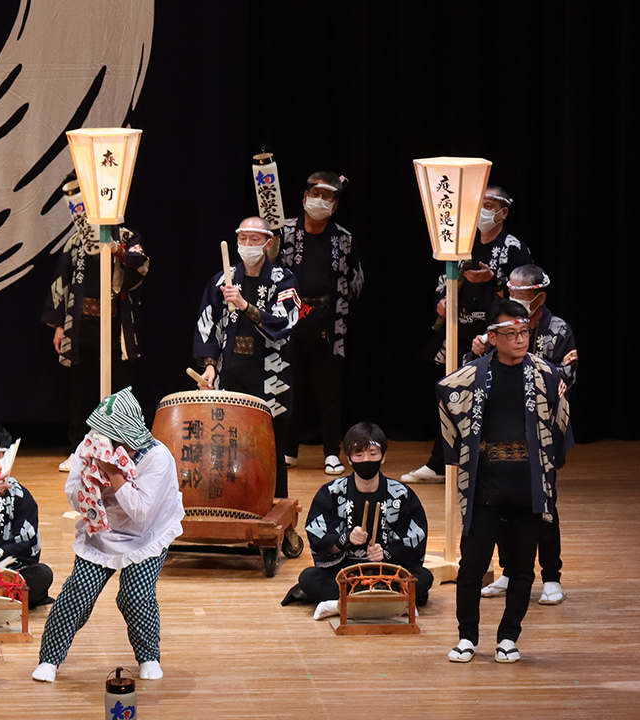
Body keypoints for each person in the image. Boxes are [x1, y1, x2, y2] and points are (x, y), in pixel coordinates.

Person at [438, 300, 571, 664]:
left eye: (524, 332)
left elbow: (560, 417)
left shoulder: (545, 374)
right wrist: (464, 449)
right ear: (493, 337)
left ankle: (509, 637)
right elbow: (445, 390)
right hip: (486, 485)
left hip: (528, 483)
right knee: (471, 568)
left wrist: (548, 459)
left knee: (523, 569)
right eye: (510, 334)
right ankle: (467, 637)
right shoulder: (475, 373)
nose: (519, 340)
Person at [32, 388, 184, 683]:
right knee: (78, 594)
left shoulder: (157, 458)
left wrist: (113, 474)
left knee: (135, 595)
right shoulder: (89, 447)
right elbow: (73, 493)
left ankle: (149, 655)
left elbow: (141, 512)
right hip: (102, 532)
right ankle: (50, 658)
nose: (101, 442)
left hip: (146, 535)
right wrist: (91, 485)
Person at [404, 186, 532, 483]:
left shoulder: (513, 247)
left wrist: (493, 279)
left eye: (490, 205)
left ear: (503, 211)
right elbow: (442, 281)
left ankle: (478, 464)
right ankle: (440, 464)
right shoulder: (464, 243)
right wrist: (442, 300)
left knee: (484, 400)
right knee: (449, 394)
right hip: (458, 329)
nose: (484, 211)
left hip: (493, 336)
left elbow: (521, 296)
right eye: (480, 204)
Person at [471, 265, 578, 605]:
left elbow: (566, 376)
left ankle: (551, 576)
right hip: (499, 430)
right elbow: (472, 377)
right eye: (510, 292)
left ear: (539, 297)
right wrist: (480, 351)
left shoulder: (557, 330)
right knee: (502, 503)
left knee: (542, 501)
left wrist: (518, 357)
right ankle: (508, 570)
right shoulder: (497, 328)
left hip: (541, 431)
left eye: (521, 294)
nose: (512, 298)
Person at [42, 193, 149, 471]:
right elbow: (61, 282)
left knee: (121, 392)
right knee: (81, 391)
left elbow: (142, 267)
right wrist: (57, 327)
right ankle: (78, 450)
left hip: (117, 327)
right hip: (82, 326)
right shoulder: (75, 241)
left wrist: (118, 252)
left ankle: (124, 451)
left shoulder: (127, 236)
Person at [282, 422, 432, 620]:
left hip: (388, 573)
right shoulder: (332, 493)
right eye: (359, 455)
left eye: (373, 454)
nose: (366, 460)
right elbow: (321, 541)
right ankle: (389, 602)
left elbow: (414, 539)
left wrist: (386, 554)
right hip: (345, 574)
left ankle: (344, 603)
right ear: (350, 459)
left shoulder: (401, 494)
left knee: (424, 577)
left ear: (383, 456)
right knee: (309, 578)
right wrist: (346, 539)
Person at [195, 216, 299, 498]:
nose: (248, 245)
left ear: (267, 244)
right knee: (227, 447)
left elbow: (284, 324)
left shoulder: (283, 280)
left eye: (255, 240)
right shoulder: (223, 279)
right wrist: (209, 367)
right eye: (243, 239)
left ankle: (275, 507)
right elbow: (208, 325)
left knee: (270, 451)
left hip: (269, 377)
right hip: (231, 375)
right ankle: (231, 504)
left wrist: (243, 305)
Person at [274, 172, 364, 475]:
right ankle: (288, 450)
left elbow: (356, 281)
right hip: (289, 318)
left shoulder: (343, 237)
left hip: (328, 318)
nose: (320, 201)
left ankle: (330, 452)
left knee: (329, 392)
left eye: (328, 197)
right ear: (304, 198)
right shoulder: (284, 232)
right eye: (316, 194)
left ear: (335, 205)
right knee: (289, 385)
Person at [0, 421, 55, 607]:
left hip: (6, 570)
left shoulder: (19, 495)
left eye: (0, 459)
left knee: (42, 574)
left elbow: (30, 549)